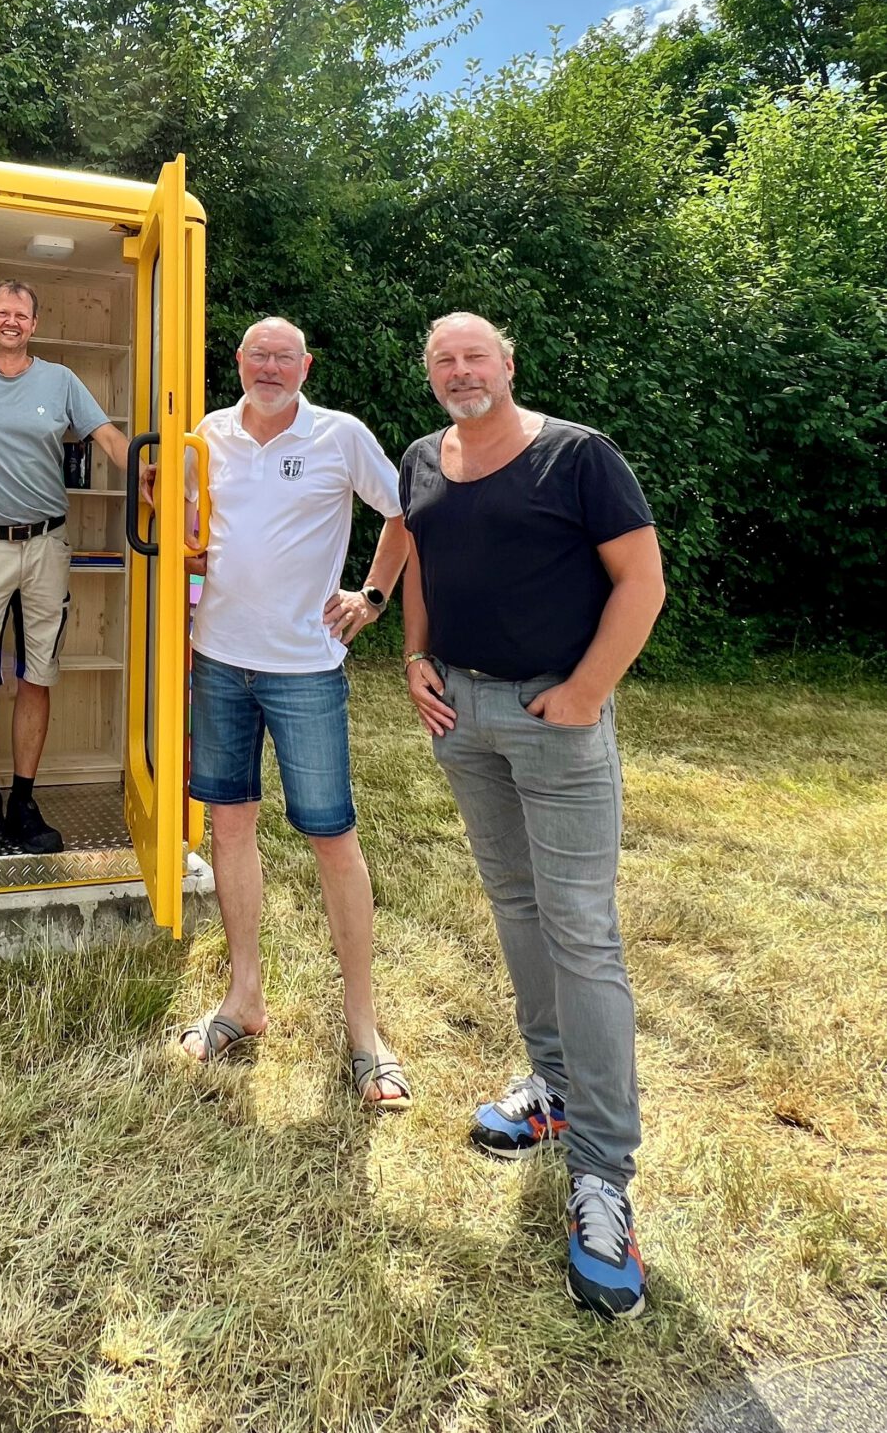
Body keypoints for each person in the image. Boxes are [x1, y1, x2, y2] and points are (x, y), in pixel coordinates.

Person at [399, 312, 666, 1321]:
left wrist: (590, 689)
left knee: (582, 931)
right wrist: (417, 658)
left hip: (559, 715)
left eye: (476, 355)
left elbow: (641, 581)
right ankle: (551, 1089)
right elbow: (419, 556)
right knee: (516, 905)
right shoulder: (425, 456)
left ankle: (605, 1176)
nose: (460, 370)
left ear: (508, 365)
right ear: (431, 376)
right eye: (443, 359)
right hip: (462, 716)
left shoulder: (577, 455)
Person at [178, 318, 411, 1109]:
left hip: (306, 668)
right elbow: (187, 534)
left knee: (332, 838)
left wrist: (372, 596)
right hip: (217, 660)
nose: (269, 367)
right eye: (257, 356)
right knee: (229, 827)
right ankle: (244, 1001)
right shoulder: (206, 436)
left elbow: (405, 511)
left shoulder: (339, 435)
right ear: (237, 363)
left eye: (284, 357)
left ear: (306, 365)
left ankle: (364, 1034)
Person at [0, 280, 130, 858]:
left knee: (37, 677)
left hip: (48, 545)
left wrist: (156, 478)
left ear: (33, 323)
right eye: (2, 312)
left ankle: (24, 800)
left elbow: (107, 438)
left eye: (21, 315)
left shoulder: (61, 380)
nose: (11, 321)